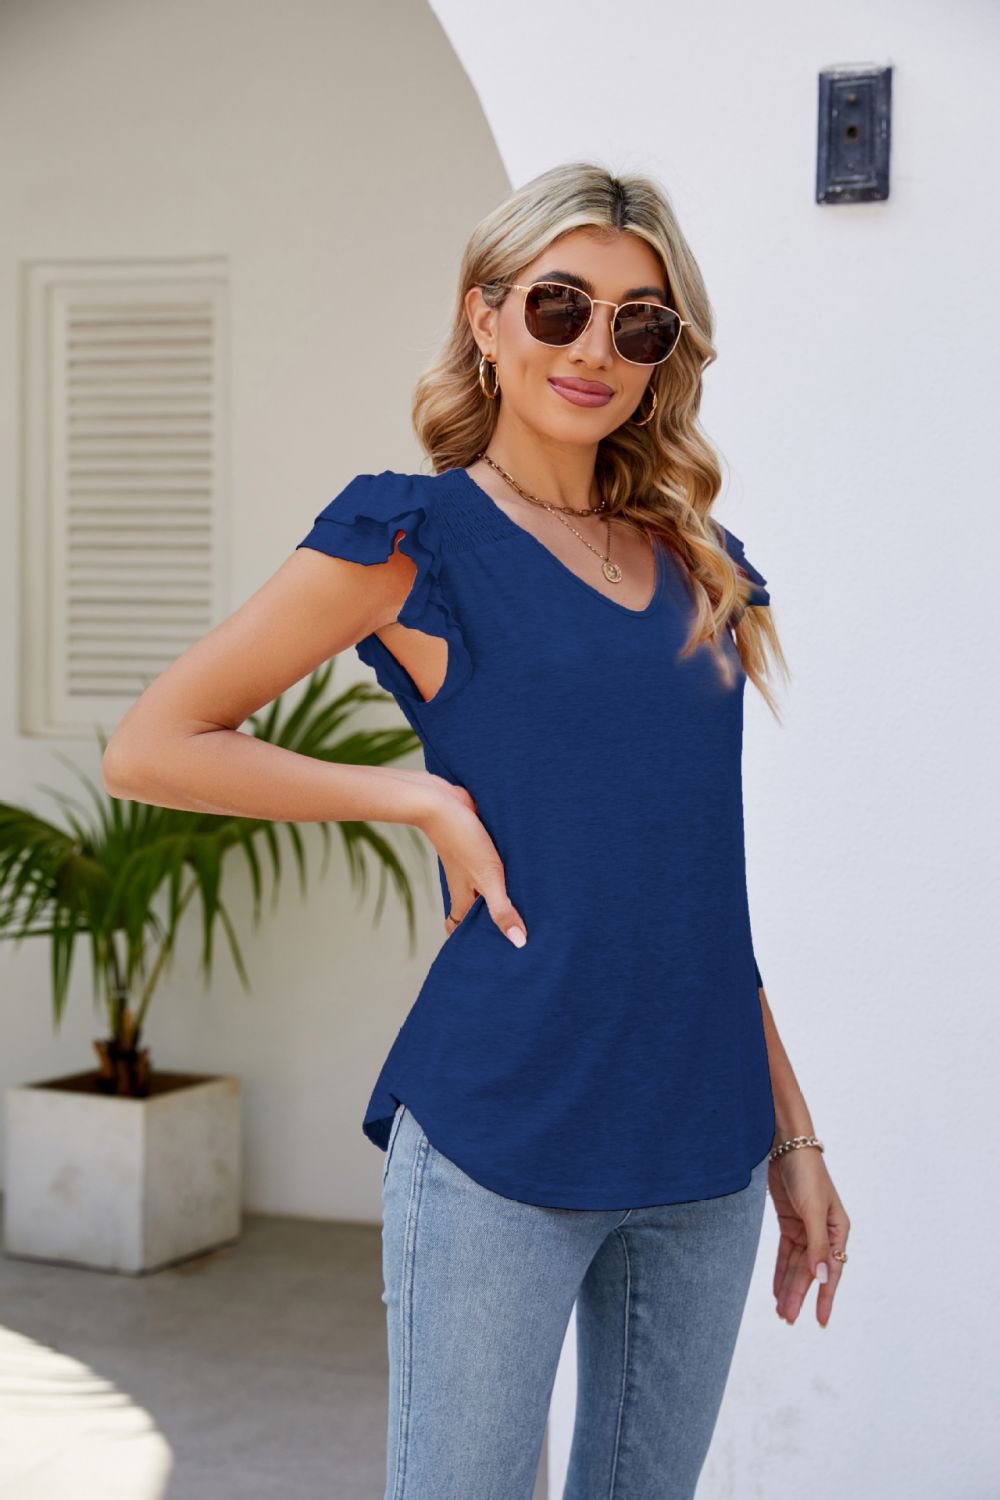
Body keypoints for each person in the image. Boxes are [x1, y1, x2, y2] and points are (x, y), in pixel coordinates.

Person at [103, 160, 851, 1500]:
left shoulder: (701, 565)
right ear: (486, 316)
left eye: (639, 323)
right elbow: (153, 743)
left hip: (707, 1145)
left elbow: (697, 887)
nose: (594, 349)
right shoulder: (418, 537)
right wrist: (413, 795)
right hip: (505, 1131)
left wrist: (792, 1133)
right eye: (560, 305)